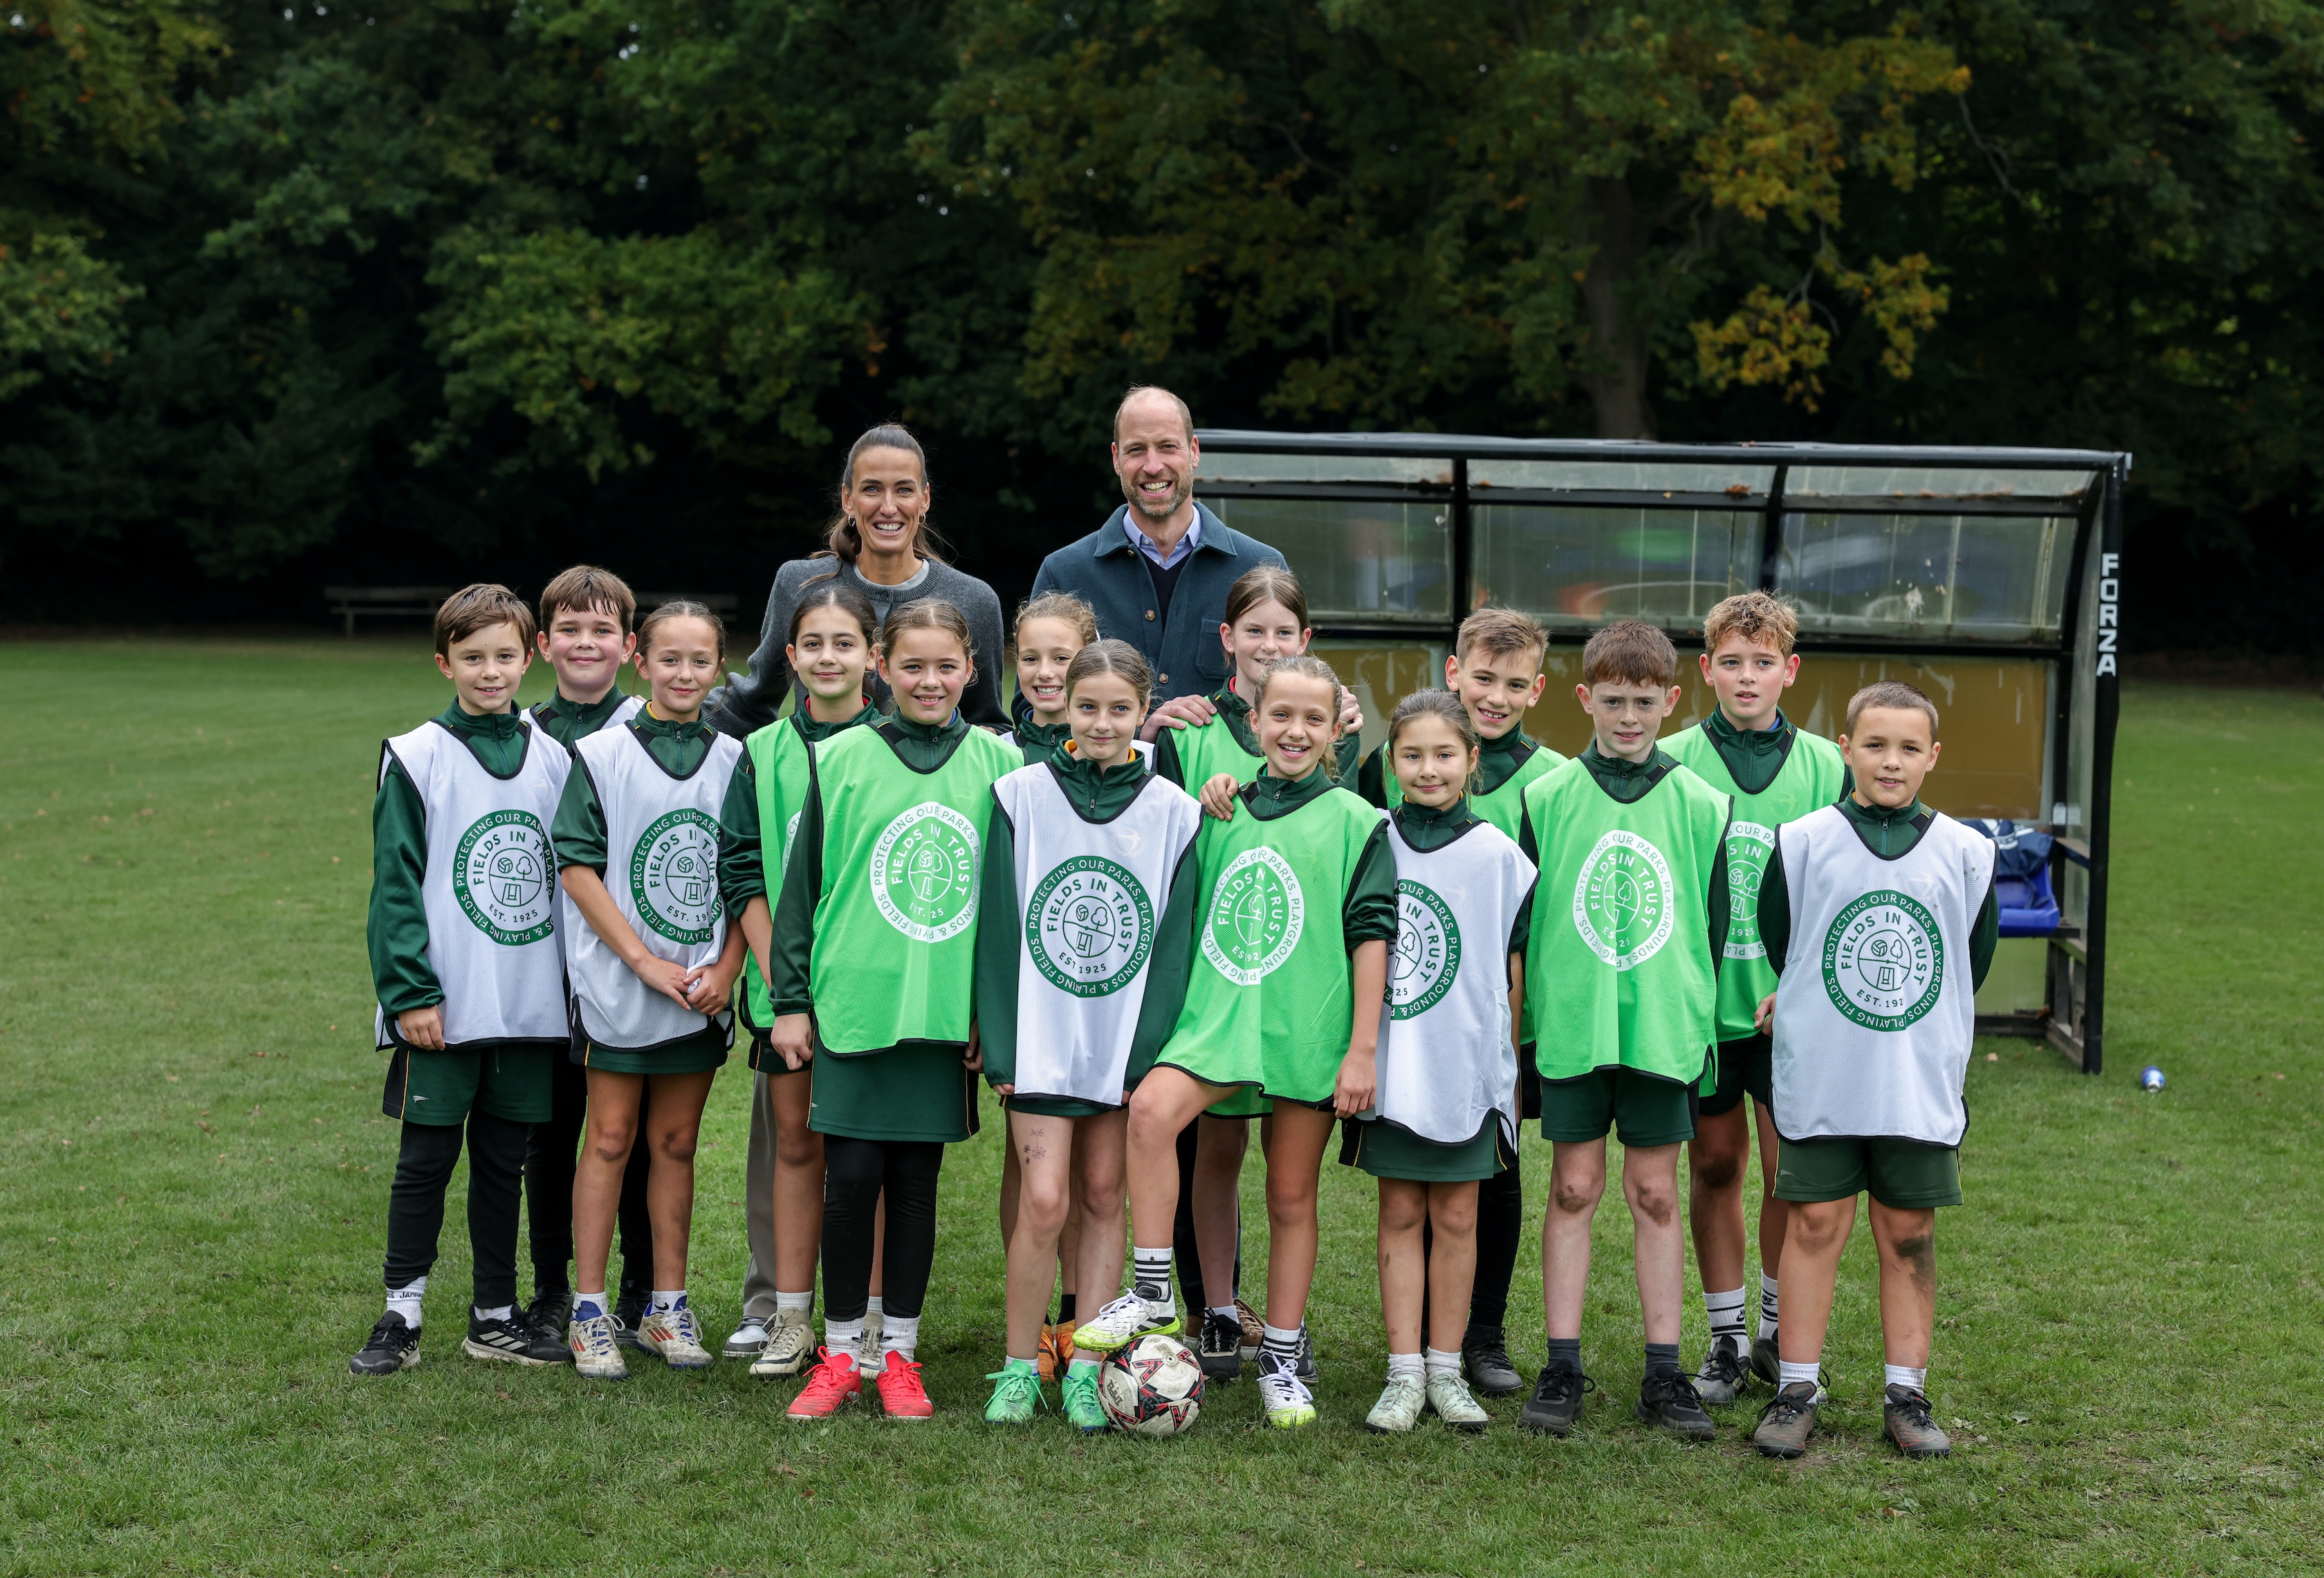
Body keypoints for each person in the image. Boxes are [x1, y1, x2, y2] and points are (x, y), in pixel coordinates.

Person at [1081, 654, 1396, 1431]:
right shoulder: (1214, 811)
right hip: (1220, 1020)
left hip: (1306, 1028)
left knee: (1291, 1194)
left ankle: (1282, 1357)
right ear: (1252, 722)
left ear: (1334, 732)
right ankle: (1156, 1287)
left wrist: (1362, 1048)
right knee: (1151, 1111)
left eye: (1312, 719)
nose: (1294, 730)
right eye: (1279, 715)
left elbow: (1371, 937)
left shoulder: (1360, 821)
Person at [767, 600, 1020, 1420]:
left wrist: (993, 1012)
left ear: (973, 670)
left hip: (944, 1015)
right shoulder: (839, 757)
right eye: (912, 664)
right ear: (882, 664)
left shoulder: (996, 763)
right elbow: (800, 891)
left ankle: (899, 1356)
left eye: (947, 665)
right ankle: (839, 1355)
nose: (930, 680)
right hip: (855, 1004)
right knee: (850, 1180)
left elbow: (1006, 906)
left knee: (916, 1184)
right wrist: (792, 1001)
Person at [1749, 682, 1998, 1462]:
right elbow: (1783, 938)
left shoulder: (1967, 851)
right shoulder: (1803, 840)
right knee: (1816, 1222)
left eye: (1908, 747)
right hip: (1825, 1071)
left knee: (1909, 1232)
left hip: (1913, 1075)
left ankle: (1907, 1392)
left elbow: (1970, 959)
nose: (1891, 761)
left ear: (1933, 755)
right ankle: (1797, 1387)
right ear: (1847, 748)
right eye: (1875, 744)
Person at [974, 640, 1205, 1429]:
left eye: (1120, 708)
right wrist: (1000, 1042)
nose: (1103, 722)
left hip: (1121, 1044)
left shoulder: (1176, 810)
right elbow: (999, 926)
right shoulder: (1019, 793)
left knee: (1106, 1196)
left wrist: (1149, 1054)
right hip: (1040, 1035)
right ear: (1063, 705)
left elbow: (1173, 942)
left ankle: (1085, 1365)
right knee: (1044, 1202)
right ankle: (1016, 1367)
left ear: (1145, 711)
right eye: (1088, 706)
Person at [1139, 563, 1361, 1380]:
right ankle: (1218, 1309)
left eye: (1284, 630)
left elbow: (1343, 838)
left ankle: (1284, 1344)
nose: (1269, 644)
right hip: (1220, 989)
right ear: (1228, 641)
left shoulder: (1339, 741)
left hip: (1299, 990)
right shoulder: (1194, 735)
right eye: (1253, 630)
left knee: (1290, 1181)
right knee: (1217, 1150)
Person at [1513, 620, 1731, 1440]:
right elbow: (1529, 924)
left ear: (1672, 701)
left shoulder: (1704, 803)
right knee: (1573, 1187)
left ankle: (1664, 1371)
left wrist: (1692, 1020)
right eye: (1613, 701)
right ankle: (1562, 1363)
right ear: (1585, 700)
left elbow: (1709, 931)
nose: (1629, 716)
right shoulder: (1547, 797)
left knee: (1654, 1192)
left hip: (1662, 1032)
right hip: (1573, 1027)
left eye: (1645, 702)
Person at [351, 585, 573, 1375]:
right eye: (473, 657)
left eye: (505, 656)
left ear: (529, 656)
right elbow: (395, 882)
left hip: (528, 1003)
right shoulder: (416, 754)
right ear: (445, 661)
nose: (490, 671)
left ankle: (493, 1313)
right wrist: (409, 990)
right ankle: (401, 1312)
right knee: (427, 1159)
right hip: (444, 1002)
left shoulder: (554, 755)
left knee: (503, 1163)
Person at [1353, 606, 1562, 1396]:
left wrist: (1514, 1031)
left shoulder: (1551, 779)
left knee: (1491, 1183)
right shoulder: (1384, 770)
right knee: (1418, 1197)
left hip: (1496, 1018)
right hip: (1407, 1020)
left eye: (1514, 684)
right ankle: (1421, 1359)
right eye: (1483, 677)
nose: (1497, 694)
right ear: (1453, 671)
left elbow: (1530, 917)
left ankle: (1480, 1336)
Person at [1661, 592, 1850, 1406]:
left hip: (1791, 1010)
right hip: (1701, 1007)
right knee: (1714, 1162)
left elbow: (1841, 889)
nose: (1747, 675)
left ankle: (1777, 1328)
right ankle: (1727, 1335)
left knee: (1786, 1170)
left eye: (1763, 661)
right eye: (1731, 661)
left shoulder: (1825, 766)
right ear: (1706, 669)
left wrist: (1800, 982)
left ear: (1790, 670)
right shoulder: (1671, 758)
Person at [553, 602, 748, 1379]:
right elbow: (576, 864)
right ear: (643, 663)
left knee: (675, 1143)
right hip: (621, 981)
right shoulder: (600, 755)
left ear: (718, 669)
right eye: (669, 659)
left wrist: (727, 966)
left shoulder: (737, 756)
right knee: (608, 1136)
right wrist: (641, 962)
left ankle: (668, 1305)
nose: (684, 674)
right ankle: (591, 1309)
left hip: (698, 985)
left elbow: (746, 874)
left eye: (701, 661)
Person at [718, 582, 886, 1372]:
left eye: (844, 643)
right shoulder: (761, 753)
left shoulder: (896, 747)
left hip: (872, 992)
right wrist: (787, 991)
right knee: (795, 1143)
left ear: (872, 657)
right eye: (812, 643)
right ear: (790, 657)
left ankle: (878, 1316)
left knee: (870, 1157)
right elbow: (746, 870)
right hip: (787, 998)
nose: (828, 656)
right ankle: (790, 1315)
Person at [519, 566, 656, 1347]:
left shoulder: (645, 723)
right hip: (544, 964)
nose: (585, 642)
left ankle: (638, 1288)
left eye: (602, 629)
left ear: (629, 646)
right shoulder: (525, 732)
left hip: (622, 961)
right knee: (553, 1129)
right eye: (569, 629)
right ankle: (551, 1288)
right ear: (543, 644)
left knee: (627, 1130)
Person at [709, 425, 1007, 736]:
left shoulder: (974, 600)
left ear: (925, 499)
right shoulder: (799, 584)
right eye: (872, 489)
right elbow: (751, 703)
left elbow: (990, 723)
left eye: (904, 490)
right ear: (848, 499)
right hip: (821, 782)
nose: (889, 507)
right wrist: (662, 718)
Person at [993, 589, 1104, 1378]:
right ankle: (1029, 1327)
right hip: (1026, 995)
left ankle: (1079, 1318)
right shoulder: (997, 753)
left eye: (1059, 657)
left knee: (1096, 1176)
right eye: (1029, 656)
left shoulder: (1128, 747)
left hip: (1100, 996)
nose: (1042, 671)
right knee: (1029, 1169)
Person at [1027, 384, 1289, 707]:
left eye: (1167, 447)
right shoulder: (1064, 573)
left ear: (1194, 451)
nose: (1153, 466)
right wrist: (1142, 735)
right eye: (1136, 450)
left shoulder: (1260, 567)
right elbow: (1034, 711)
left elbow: (1288, 691)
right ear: (1116, 458)